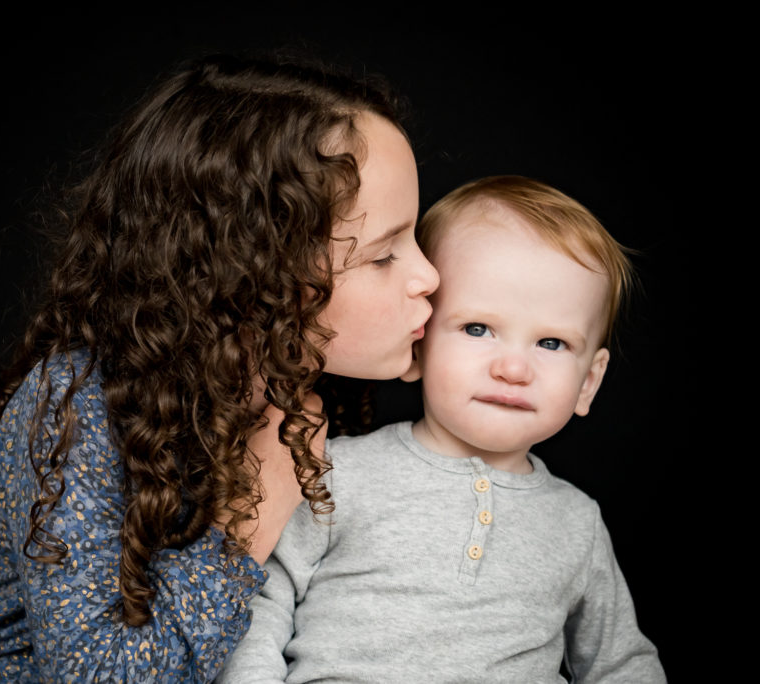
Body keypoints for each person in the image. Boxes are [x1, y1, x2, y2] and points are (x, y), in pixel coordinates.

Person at [0, 53, 439, 683]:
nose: (428, 275)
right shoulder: (77, 399)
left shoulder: (295, 389)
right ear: (254, 272)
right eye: (384, 255)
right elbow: (96, 676)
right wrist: (250, 520)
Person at [218, 176, 666, 683]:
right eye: (478, 329)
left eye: (552, 344)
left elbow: (622, 663)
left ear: (588, 381)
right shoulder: (336, 472)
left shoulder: (576, 525)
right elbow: (260, 595)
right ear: (419, 344)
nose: (513, 369)